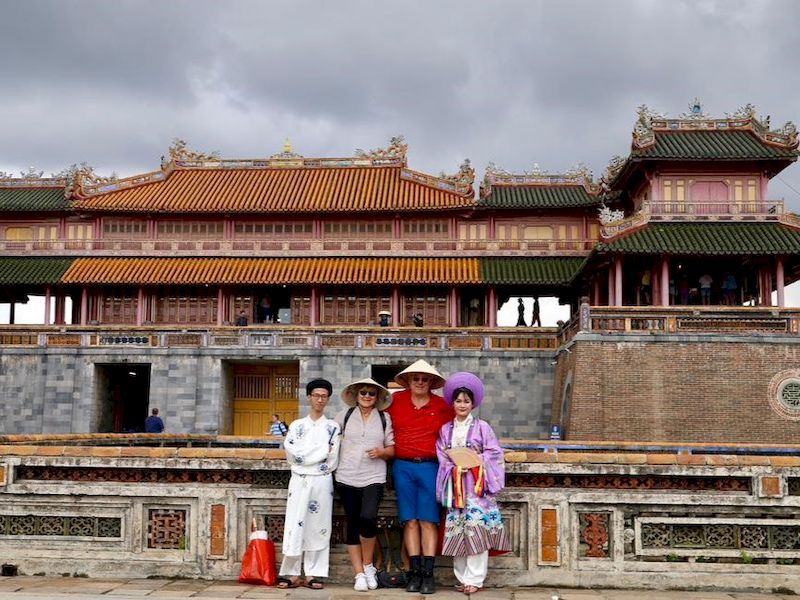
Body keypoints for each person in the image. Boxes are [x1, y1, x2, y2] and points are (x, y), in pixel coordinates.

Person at [436, 372, 510, 595]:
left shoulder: (482, 427)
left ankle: (475, 579)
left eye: (466, 401)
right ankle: (461, 576)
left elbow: (494, 453)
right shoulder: (445, 430)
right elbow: (442, 455)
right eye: (458, 401)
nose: (462, 405)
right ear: (453, 402)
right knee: (458, 532)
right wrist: (454, 465)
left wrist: (477, 461)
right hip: (456, 486)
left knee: (477, 531)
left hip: (477, 489)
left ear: (473, 403)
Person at [386, 359, 453, 595]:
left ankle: (428, 573)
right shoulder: (395, 401)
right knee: (410, 520)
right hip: (402, 466)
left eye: (425, 379)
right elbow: (376, 421)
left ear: (432, 383)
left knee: (428, 520)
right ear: (408, 381)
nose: (421, 382)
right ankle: (414, 572)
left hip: (430, 466)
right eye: (416, 378)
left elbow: (459, 430)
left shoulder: (443, 405)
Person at [277, 379, 340, 590]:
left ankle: (314, 573)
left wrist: (309, 458)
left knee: (318, 526)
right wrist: (318, 454)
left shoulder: (333, 428)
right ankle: (291, 572)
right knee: (295, 524)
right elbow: (292, 454)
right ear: (309, 397)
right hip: (299, 479)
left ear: (328, 399)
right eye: (316, 395)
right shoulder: (297, 426)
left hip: (322, 481)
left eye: (323, 396)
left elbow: (332, 459)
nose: (319, 399)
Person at [334, 378, 395, 592]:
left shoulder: (384, 418)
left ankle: (369, 566)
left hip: (374, 477)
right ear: (356, 395)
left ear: (377, 397)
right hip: (346, 476)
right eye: (363, 393)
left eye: (371, 393)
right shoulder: (344, 416)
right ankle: (358, 573)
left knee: (368, 519)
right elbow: (330, 440)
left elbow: (392, 449)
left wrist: (381, 452)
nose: (367, 396)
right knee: (352, 522)